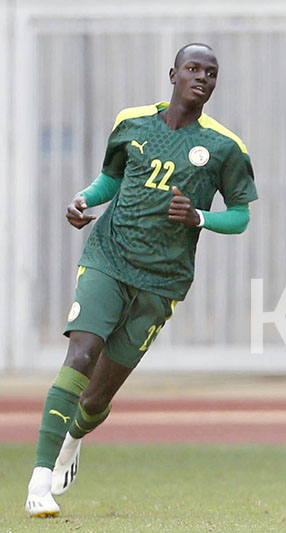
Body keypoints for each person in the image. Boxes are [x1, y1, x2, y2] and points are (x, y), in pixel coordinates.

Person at [25, 43, 258, 517]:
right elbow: (111, 179)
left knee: (97, 397)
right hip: (108, 256)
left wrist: (199, 218)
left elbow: (239, 217)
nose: (202, 78)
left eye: (211, 73)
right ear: (172, 73)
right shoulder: (131, 122)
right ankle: (39, 482)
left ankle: (74, 438)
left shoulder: (225, 147)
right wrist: (84, 199)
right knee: (82, 352)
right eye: (193, 69)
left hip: (162, 279)